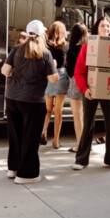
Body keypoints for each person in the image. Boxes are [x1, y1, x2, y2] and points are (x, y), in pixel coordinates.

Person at [1, 20, 58, 184]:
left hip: (12, 97)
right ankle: (27, 174)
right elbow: (53, 79)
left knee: (15, 135)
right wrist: (53, 66)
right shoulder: (45, 53)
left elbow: (5, 71)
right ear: (42, 34)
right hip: (33, 100)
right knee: (30, 138)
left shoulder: (17, 49)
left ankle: (13, 168)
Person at [72, 16, 110, 171]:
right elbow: (78, 71)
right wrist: (84, 89)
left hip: (109, 89)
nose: (106, 29)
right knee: (88, 124)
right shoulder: (88, 47)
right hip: (90, 90)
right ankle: (81, 159)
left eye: (108, 27)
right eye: (103, 26)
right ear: (97, 29)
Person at [41, 21, 69, 149]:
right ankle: (56, 141)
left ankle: (43, 131)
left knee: (48, 110)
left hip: (49, 76)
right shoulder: (66, 46)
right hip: (62, 77)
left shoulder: (46, 46)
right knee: (58, 111)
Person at [65, 23, 88, 153]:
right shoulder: (88, 47)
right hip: (88, 83)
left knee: (77, 116)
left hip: (75, 82)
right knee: (86, 116)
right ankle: (86, 144)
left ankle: (80, 145)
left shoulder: (73, 49)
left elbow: (68, 69)